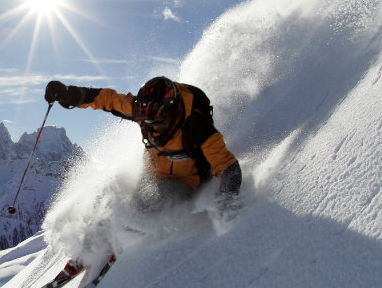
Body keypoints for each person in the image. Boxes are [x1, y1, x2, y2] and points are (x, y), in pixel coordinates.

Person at [45, 76, 242, 209]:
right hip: (154, 174)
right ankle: (106, 243)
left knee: (160, 208)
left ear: (173, 111)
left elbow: (227, 166)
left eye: (157, 122)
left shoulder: (197, 126)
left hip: (192, 182)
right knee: (132, 205)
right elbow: (107, 99)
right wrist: (69, 94)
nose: (153, 127)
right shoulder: (142, 111)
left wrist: (227, 199)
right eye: (146, 121)